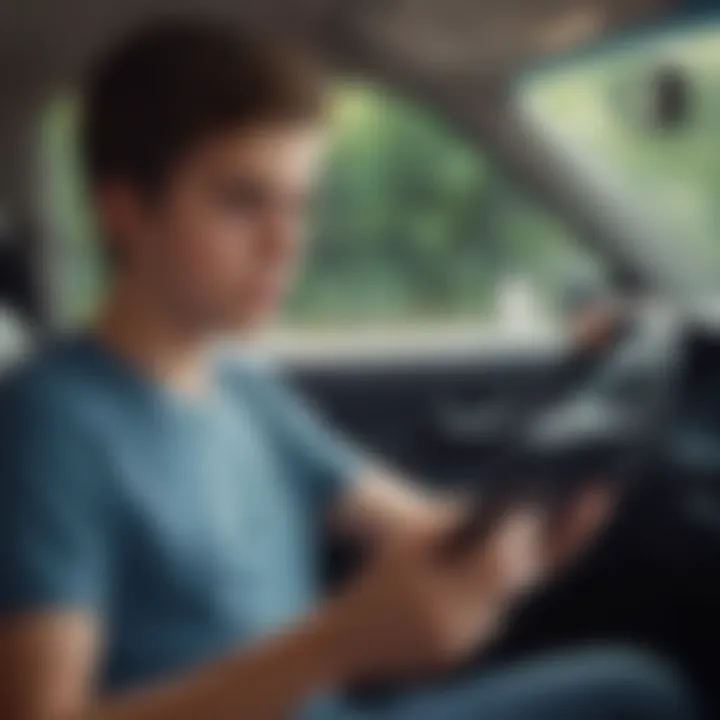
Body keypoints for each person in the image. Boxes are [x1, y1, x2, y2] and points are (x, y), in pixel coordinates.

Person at [0, 19, 702, 720]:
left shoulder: (243, 389)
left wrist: (537, 540)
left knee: (639, 689)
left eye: (297, 204)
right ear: (126, 211)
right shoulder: (51, 426)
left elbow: (426, 533)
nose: (284, 243)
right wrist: (332, 647)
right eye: (242, 201)